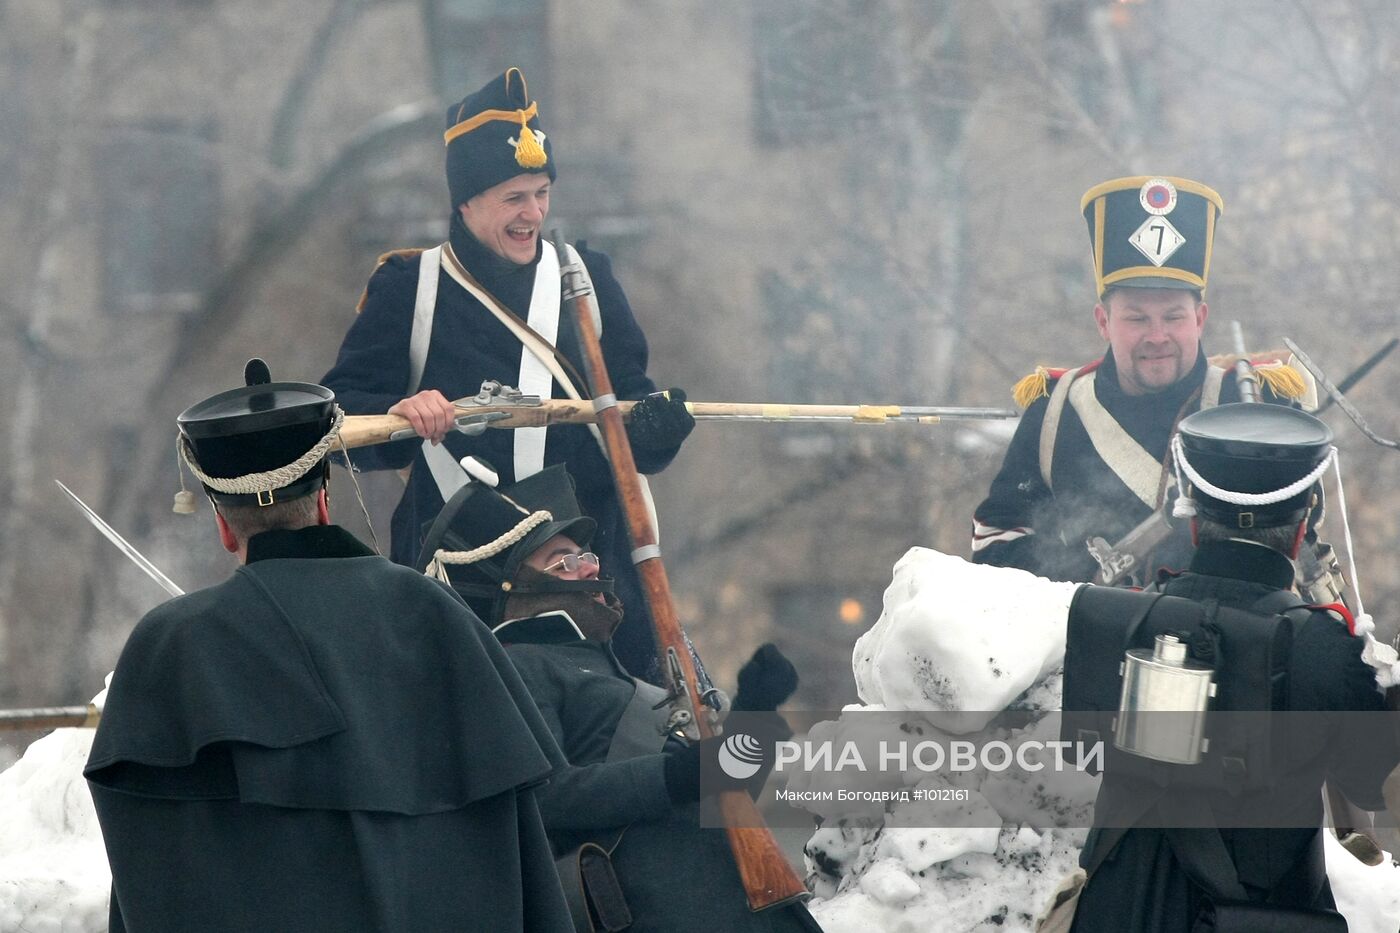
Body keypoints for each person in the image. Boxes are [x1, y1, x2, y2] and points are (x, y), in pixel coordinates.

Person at [84, 361, 573, 932]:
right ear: (323, 499)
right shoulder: (434, 616)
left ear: (223, 525)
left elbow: (149, 878)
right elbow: (519, 848)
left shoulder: (169, 648)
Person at [321, 66, 694, 680]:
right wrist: (401, 415)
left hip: (590, 570)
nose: (533, 214)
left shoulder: (587, 279)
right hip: (460, 569)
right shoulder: (408, 288)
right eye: (514, 198)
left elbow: (631, 414)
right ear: (466, 201)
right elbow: (344, 420)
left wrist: (658, 425)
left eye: (541, 193)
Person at [416, 462, 822, 932]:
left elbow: (721, 793)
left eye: (584, 554)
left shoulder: (606, 667)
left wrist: (755, 711)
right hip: (658, 907)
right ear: (513, 589)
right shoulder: (519, 665)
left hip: (722, 904)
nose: (591, 565)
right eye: (563, 561)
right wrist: (673, 775)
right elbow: (546, 799)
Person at [1059, 402, 1397, 932]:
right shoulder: (1326, 649)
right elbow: (1370, 782)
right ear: (1306, 520)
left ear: (1190, 515)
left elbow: (1081, 758)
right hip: (1258, 918)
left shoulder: (1112, 620)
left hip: (1115, 914)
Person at [971, 176, 1309, 584]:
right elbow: (997, 542)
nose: (1156, 336)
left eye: (1173, 317)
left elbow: (1300, 530)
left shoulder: (1257, 403)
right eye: (1136, 318)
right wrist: (1083, 592)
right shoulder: (1055, 411)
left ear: (1199, 319)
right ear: (1103, 321)